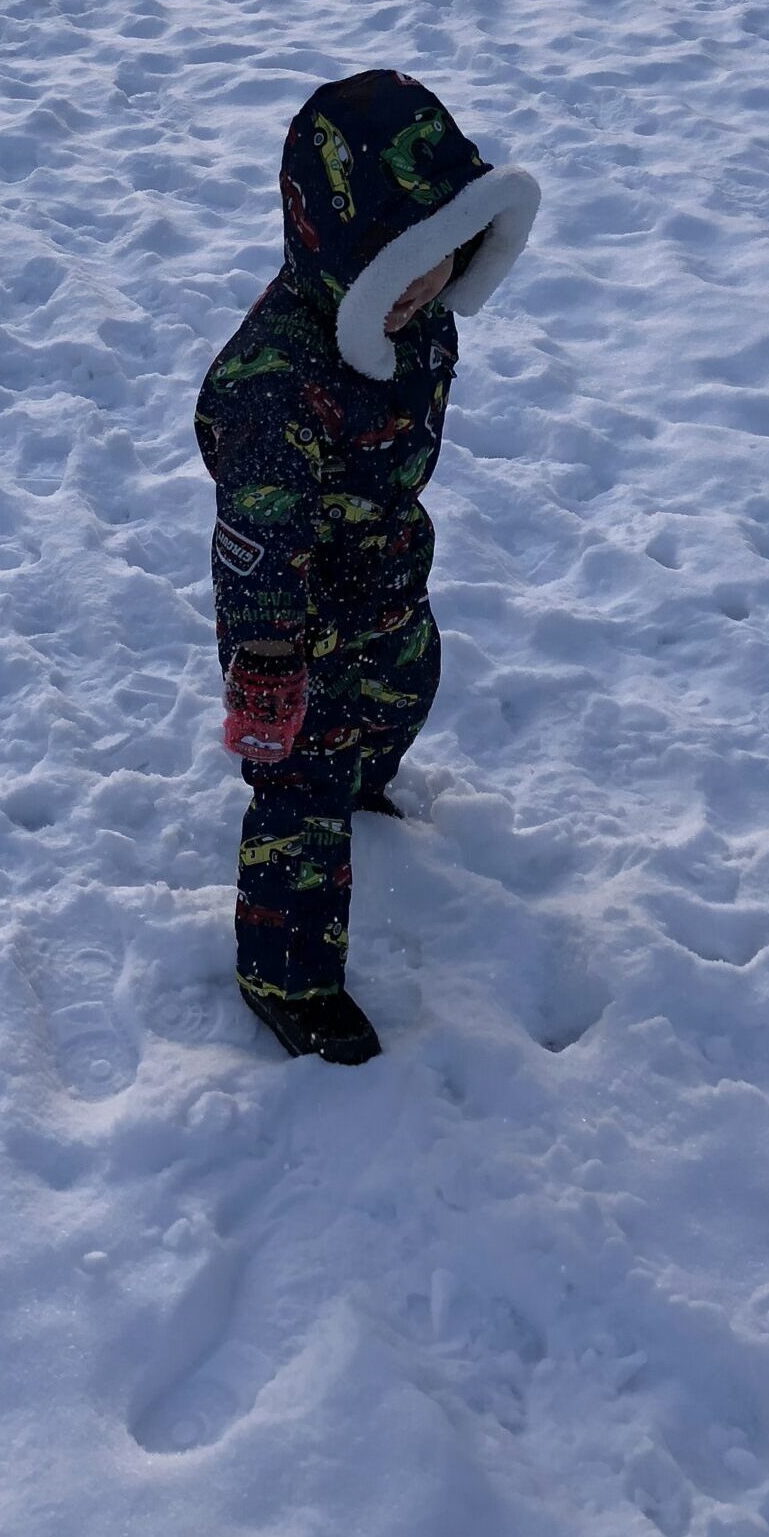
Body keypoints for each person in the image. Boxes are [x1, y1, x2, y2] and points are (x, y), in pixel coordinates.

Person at [193, 69, 540, 1064]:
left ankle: (364, 776)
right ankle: (286, 976)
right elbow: (257, 541)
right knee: (299, 793)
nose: (422, 285)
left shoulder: (416, 322)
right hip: (293, 624)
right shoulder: (275, 385)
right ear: (341, 253)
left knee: (404, 689)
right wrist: (270, 662)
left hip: (387, 580)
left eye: (439, 255)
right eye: (397, 262)